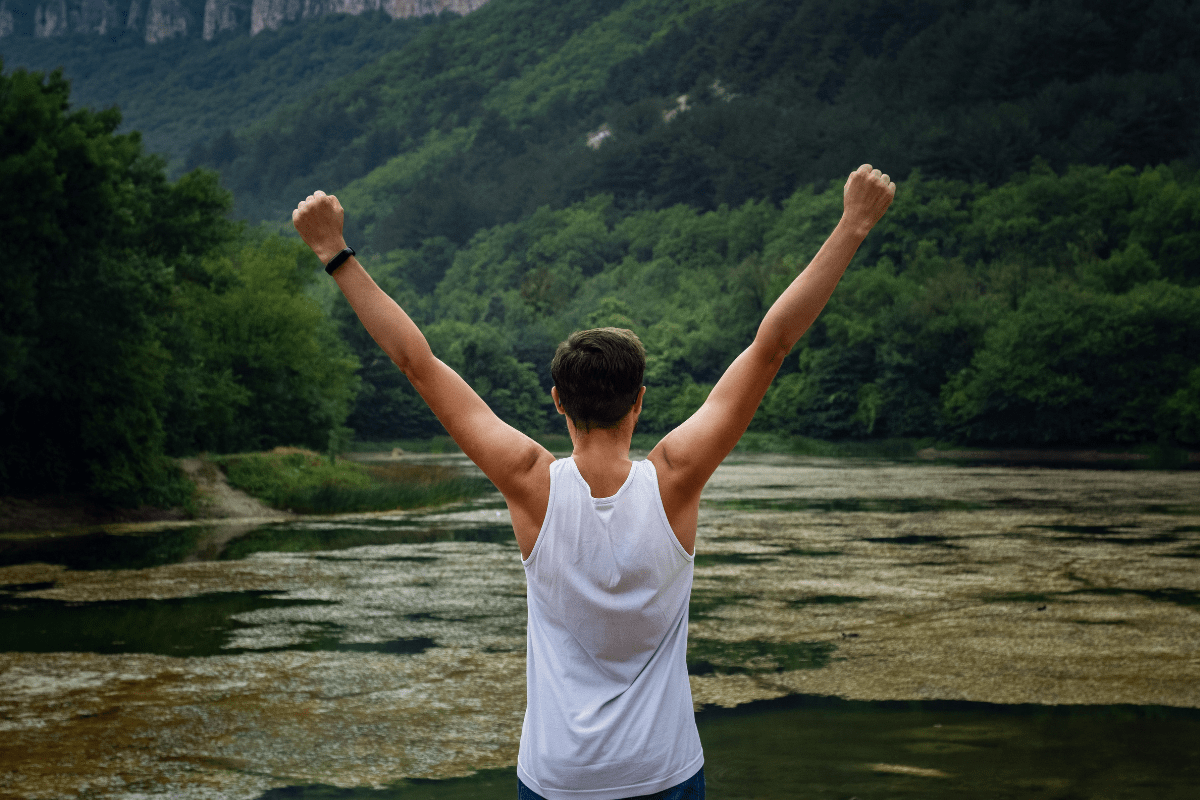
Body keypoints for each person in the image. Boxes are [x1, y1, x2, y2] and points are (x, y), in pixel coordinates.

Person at [292, 164, 896, 800]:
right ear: (639, 400)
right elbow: (770, 346)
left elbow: (418, 364)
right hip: (662, 774)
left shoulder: (530, 482)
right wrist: (852, 225)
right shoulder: (674, 480)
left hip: (559, 780)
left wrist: (335, 253)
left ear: (557, 401)